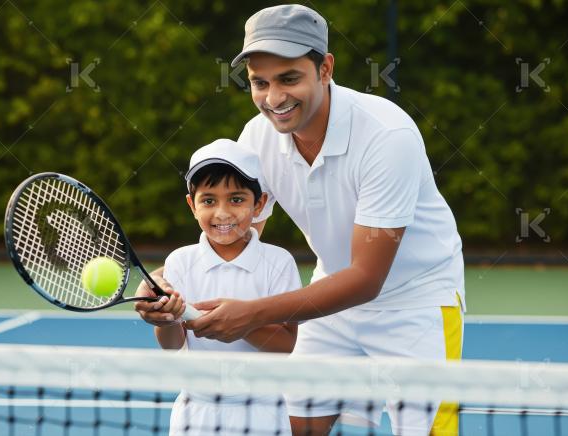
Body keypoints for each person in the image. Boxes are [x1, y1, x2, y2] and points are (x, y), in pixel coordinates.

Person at [137, 4, 465, 435]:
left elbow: (367, 278)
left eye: (289, 78)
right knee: (289, 427)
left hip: (416, 302)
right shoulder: (258, 137)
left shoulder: (388, 137)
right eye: (260, 83)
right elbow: (235, 234)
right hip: (331, 301)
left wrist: (252, 313)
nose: (273, 98)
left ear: (325, 68)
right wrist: (169, 277)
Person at [149, 138, 301, 436]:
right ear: (192, 205)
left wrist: (242, 324)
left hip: (264, 414)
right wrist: (167, 319)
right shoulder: (178, 262)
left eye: (236, 199)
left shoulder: (280, 263)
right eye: (208, 200)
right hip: (195, 415)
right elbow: (172, 346)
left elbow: (286, 345)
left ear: (259, 204)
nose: (222, 213)